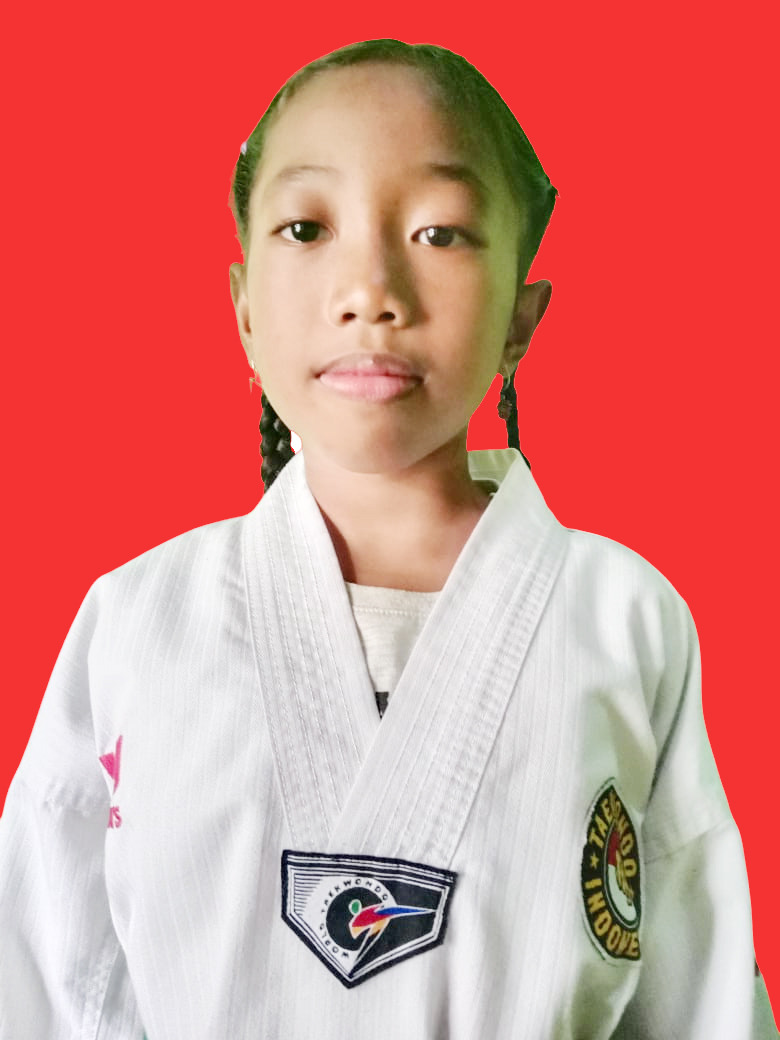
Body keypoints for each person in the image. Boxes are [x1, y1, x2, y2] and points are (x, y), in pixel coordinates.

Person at [0, 38, 775, 1040]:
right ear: (244, 309)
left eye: (440, 233)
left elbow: (701, 1000)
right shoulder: (136, 621)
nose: (371, 288)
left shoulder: (625, 619)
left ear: (521, 318)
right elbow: (42, 978)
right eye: (306, 227)